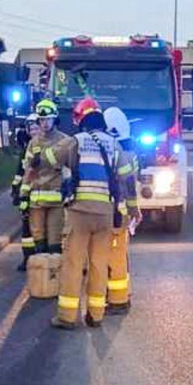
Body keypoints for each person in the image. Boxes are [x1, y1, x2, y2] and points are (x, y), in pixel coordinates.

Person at [54, 98, 121, 329]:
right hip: (105, 214)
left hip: (80, 212)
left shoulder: (76, 141)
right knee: (99, 264)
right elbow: (123, 174)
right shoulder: (114, 143)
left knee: (73, 263)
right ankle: (96, 315)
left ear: (81, 120)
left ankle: (67, 316)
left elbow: (53, 159)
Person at [21, 98, 74, 258]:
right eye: (42, 119)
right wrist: (23, 195)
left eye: (48, 119)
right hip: (36, 203)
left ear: (55, 119)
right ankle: (40, 281)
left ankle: (54, 280)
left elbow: (71, 167)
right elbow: (28, 171)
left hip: (56, 202)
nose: (44, 123)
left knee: (55, 245)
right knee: (39, 245)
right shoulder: (33, 142)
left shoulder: (65, 141)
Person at [103, 106, 140, 315]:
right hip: (122, 211)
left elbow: (123, 183)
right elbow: (131, 184)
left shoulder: (116, 152)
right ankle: (120, 295)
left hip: (113, 211)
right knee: (119, 254)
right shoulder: (130, 152)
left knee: (113, 256)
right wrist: (135, 210)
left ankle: (117, 299)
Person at [12, 114, 39, 271]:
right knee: (26, 227)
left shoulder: (45, 146)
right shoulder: (25, 150)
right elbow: (20, 172)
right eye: (31, 128)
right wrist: (16, 189)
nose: (34, 131)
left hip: (42, 193)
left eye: (36, 127)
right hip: (27, 193)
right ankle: (27, 257)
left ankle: (41, 257)